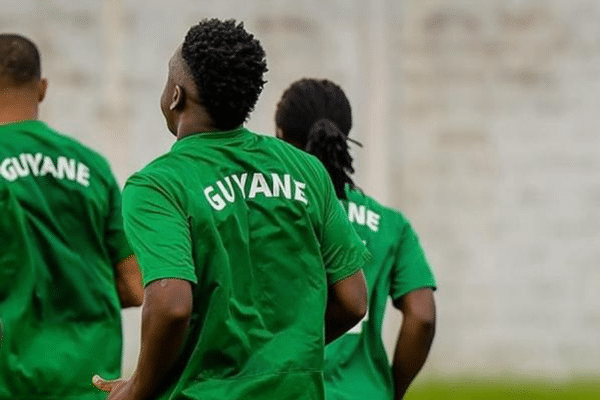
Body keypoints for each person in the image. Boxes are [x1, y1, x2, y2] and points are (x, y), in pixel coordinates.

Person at [92, 19, 369, 400]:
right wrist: (277, 355)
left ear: (176, 95)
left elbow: (171, 305)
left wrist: (138, 387)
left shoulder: (158, 185)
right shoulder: (306, 170)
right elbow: (353, 300)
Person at [0, 34, 143, 400]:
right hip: (88, 380)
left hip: (11, 381)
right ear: (42, 89)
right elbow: (133, 285)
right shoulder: (92, 166)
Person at [275, 78, 437, 400]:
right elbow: (422, 315)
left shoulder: (266, 213)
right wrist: (392, 390)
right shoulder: (390, 224)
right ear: (344, 138)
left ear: (280, 139)